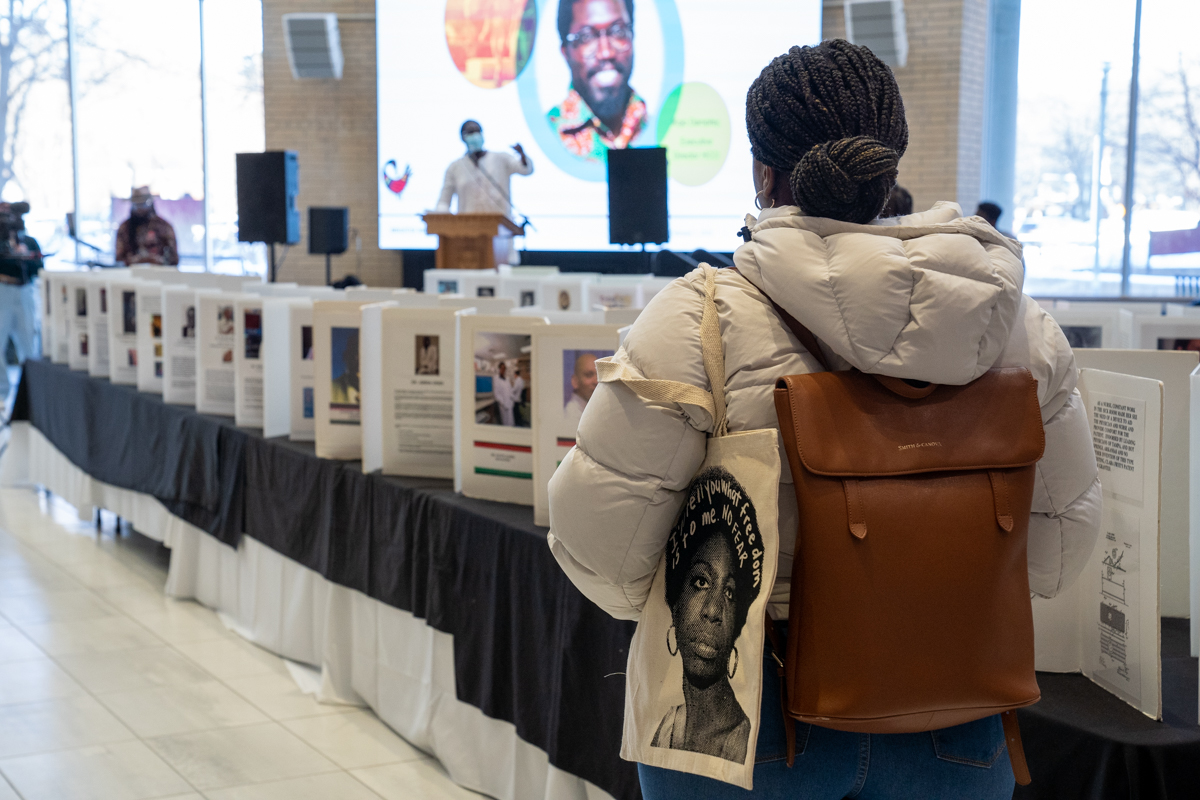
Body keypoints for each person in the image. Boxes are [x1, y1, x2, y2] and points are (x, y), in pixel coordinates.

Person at [547, 39, 1101, 798]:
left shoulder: (701, 317)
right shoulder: (1014, 325)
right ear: (889, 162)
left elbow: (602, 548)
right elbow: (1061, 554)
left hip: (749, 720)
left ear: (761, 171)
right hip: (956, 710)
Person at [652, 467, 761, 763]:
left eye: (729, 593)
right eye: (701, 582)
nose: (714, 611)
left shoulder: (741, 740)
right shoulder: (668, 728)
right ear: (674, 600)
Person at [548, 0, 644, 161]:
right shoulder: (549, 132)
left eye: (618, 32)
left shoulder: (661, 122)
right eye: (586, 37)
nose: (606, 53)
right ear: (566, 52)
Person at [436, 120, 532, 264]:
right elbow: (444, 202)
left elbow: (525, 170)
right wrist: (438, 219)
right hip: (468, 237)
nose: (474, 136)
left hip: (500, 235)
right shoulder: (455, 167)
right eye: (470, 133)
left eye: (477, 131)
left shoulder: (501, 159)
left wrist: (522, 155)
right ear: (463, 137)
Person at [0, 202, 41, 407]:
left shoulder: (29, 241)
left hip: (24, 291)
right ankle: (2, 394)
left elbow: (38, 266)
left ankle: (34, 390)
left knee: (29, 343)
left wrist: (25, 255)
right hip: (3, 289)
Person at [115, 187, 179, 266]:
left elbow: (174, 259)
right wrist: (135, 261)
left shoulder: (164, 227)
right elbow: (119, 260)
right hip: (131, 275)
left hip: (160, 275)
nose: (140, 208)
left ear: (150, 203)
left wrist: (158, 260)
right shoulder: (124, 228)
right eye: (137, 204)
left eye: (143, 203)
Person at [563, 351, 599, 427]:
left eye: (599, 375)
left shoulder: (596, 410)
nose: (596, 381)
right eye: (589, 375)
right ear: (575, 381)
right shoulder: (570, 415)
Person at [492, 360, 517, 426]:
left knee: (511, 421)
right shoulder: (496, 379)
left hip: (510, 403)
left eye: (504, 368)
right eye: (502, 368)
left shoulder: (507, 379)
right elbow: (496, 394)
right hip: (503, 405)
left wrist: (513, 399)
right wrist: (503, 403)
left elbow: (510, 390)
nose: (503, 370)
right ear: (499, 369)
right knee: (506, 423)